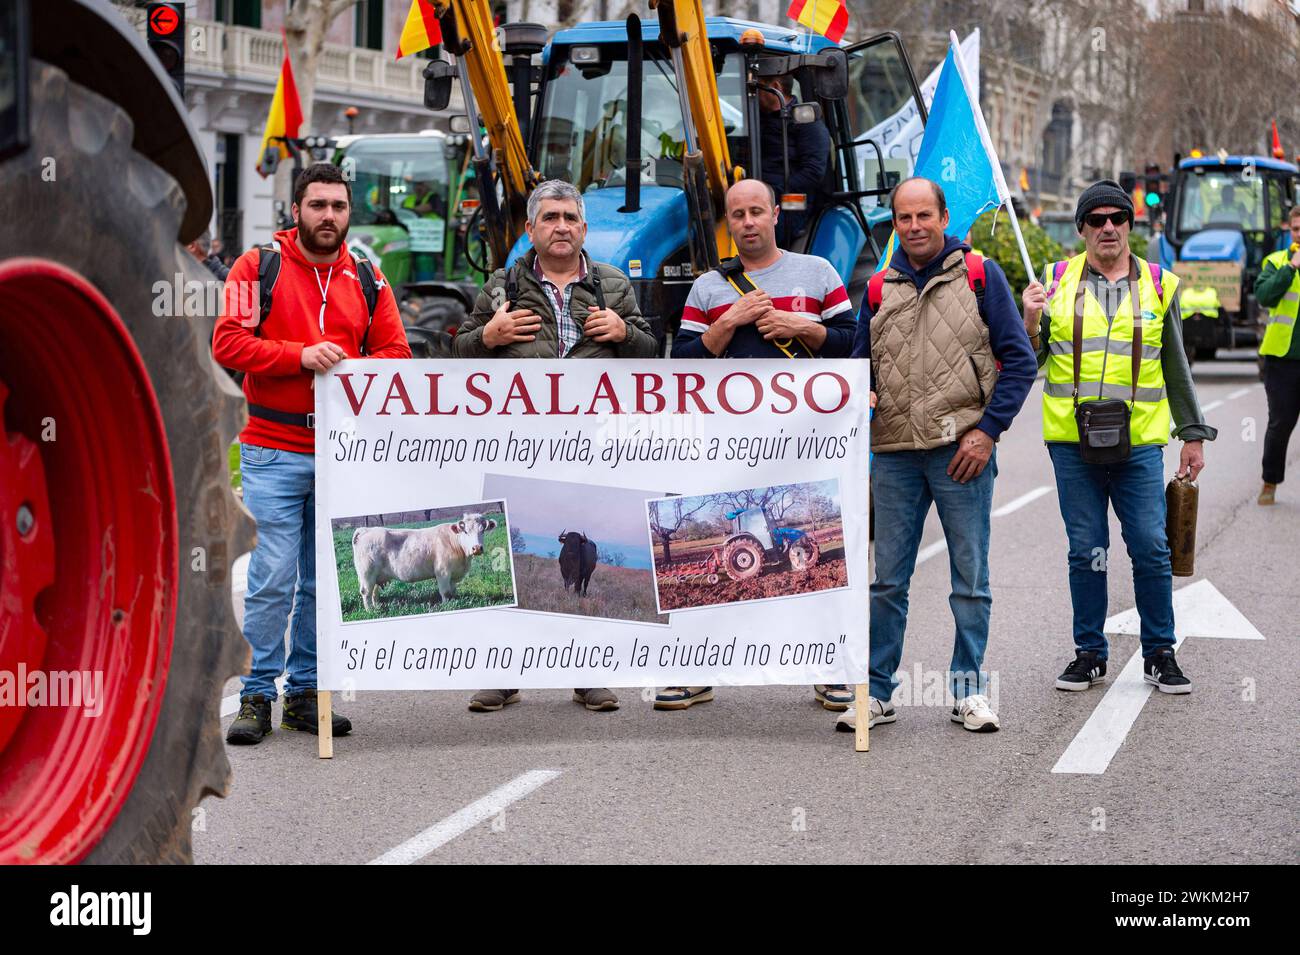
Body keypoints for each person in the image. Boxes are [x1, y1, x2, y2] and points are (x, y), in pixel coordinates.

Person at [214, 163, 412, 744]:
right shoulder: (258, 266)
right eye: (318, 205)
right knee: (273, 574)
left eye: (339, 207)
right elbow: (228, 340)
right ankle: (256, 696)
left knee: (322, 579)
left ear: (350, 213)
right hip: (274, 446)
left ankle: (306, 692)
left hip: (341, 450)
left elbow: (397, 353)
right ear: (296, 209)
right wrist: (298, 356)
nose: (329, 216)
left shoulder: (369, 275)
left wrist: (351, 368)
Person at [840, 176, 1037, 735]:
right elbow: (861, 369)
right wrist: (863, 394)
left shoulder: (980, 276)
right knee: (886, 583)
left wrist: (988, 433)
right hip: (896, 457)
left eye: (924, 216)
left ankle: (968, 692)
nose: (915, 227)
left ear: (944, 217)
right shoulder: (878, 289)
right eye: (904, 218)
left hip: (962, 453)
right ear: (895, 223)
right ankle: (876, 695)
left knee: (969, 580)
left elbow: (1019, 362)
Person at [453, 179, 658, 713]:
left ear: (584, 228)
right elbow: (455, 358)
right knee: (508, 559)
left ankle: (588, 675)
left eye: (570, 217)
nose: (561, 226)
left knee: (577, 564)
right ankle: (502, 673)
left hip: (592, 447)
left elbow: (654, 358)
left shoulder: (613, 283)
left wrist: (626, 334)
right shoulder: (501, 286)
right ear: (530, 230)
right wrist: (487, 339)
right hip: (515, 446)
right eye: (550, 218)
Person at [662, 178, 856, 712]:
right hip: (728, 445)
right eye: (737, 214)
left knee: (813, 570)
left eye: (756, 212)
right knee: (724, 571)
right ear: (729, 221)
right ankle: (696, 671)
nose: (748, 222)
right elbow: (683, 364)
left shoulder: (818, 274)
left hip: (805, 443)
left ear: (775, 214)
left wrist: (801, 325)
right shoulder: (707, 287)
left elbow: (851, 347)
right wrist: (730, 321)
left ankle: (831, 669)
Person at [1021, 179, 1216, 696]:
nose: (1108, 227)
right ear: (1082, 228)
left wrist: (1192, 435)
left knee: (1152, 547)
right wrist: (1031, 316)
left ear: (1131, 225)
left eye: (1118, 218)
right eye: (1097, 219)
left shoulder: (1160, 284)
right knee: (1087, 550)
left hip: (1139, 445)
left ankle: (1160, 654)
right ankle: (1089, 654)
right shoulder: (1053, 281)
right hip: (1071, 443)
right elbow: (1028, 359)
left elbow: (1176, 366)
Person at [1254, 204, 1300, 505]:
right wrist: (1291, 267)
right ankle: (1269, 482)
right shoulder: (1275, 262)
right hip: (1283, 360)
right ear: (1290, 231)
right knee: (1280, 423)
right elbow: (1265, 295)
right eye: (1297, 230)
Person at [757, 74, 830, 246]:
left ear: (775, 87)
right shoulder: (754, 120)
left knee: (756, 232)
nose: (752, 95)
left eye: (757, 89)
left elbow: (813, 172)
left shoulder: (807, 123)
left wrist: (771, 193)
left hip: (792, 200)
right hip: (757, 196)